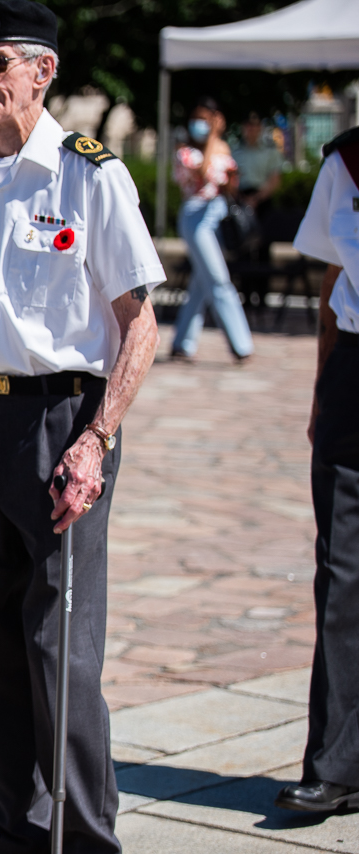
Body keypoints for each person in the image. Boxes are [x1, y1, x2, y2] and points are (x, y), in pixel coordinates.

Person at [0, 2, 165, 851]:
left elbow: (139, 321)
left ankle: (85, 838)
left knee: (60, 652)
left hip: (63, 424)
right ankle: (17, 832)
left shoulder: (89, 175)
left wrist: (97, 439)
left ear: (42, 71)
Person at [276, 125, 359, 815]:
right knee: (342, 572)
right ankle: (336, 763)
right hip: (356, 373)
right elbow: (335, 277)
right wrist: (322, 389)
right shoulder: (351, 160)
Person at [170, 97, 254, 363]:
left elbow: (231, 184)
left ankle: (182, 344)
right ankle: (242, 345)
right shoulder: (186, 152)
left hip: (217, 215)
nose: (201, 125)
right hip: (195, 216)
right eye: (198, 120)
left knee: (200, 282)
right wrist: (213, 139)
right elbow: (204, 174)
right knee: (218, 280)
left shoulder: (222, 148)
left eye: (207, 120)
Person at [231, 112, 283, 309]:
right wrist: (244, 199)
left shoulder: (270, 151)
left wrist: (257, 198)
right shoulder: (236, 152)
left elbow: (275, 179)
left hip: (263, 202)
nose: (251, 129)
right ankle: (244, 297)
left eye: (255, 125)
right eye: (247, 125)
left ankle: (262, 298)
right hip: (241, 202)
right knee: (242, 250)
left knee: (263, 250)